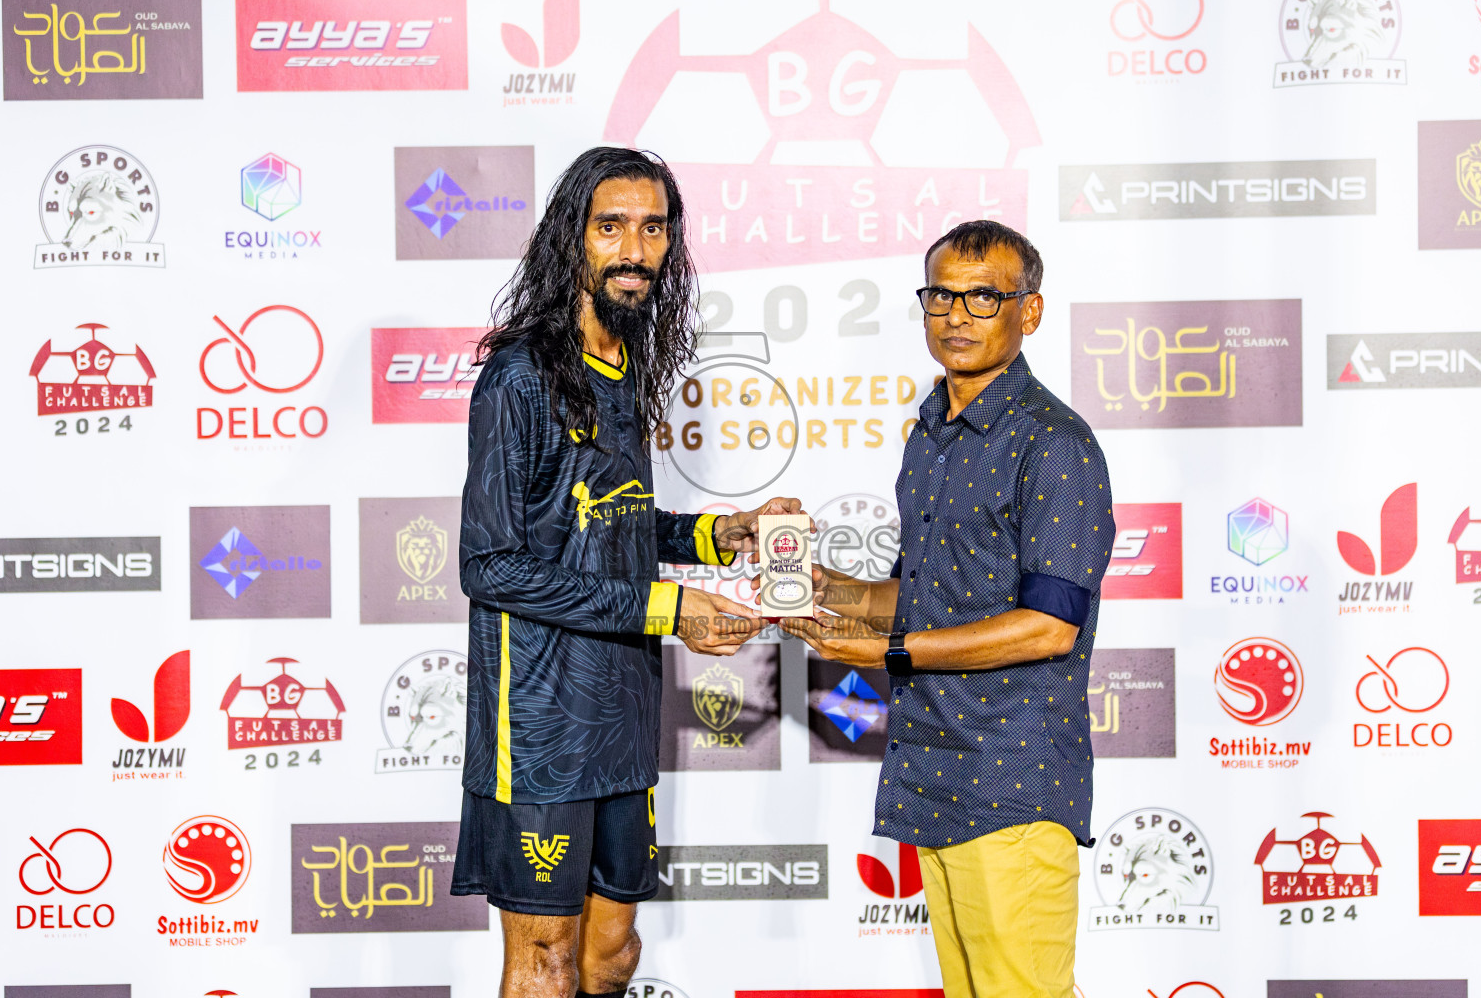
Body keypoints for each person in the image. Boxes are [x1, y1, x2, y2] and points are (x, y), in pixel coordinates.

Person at [453, 146, 802, 998]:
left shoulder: (624, 360)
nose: (634, 250)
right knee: (547, 961)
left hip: (620, 710)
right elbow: (492, 564)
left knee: (613, 957)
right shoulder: (520, 375)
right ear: (571, 238)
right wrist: (669, 607)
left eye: (653, 229)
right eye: (611, 227)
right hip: (535, 726)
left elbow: (604, 520)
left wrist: (726, 531)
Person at [777, 221, 1114, 998]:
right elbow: (925, 597)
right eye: (941, 296)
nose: (957, 314)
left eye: (983, 297)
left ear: (1028, 312)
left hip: (1014, 777)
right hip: (936, 769)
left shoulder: (1055, 443)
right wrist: (824, 592)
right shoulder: (930, 432)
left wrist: (887, 655)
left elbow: (1050, 625)